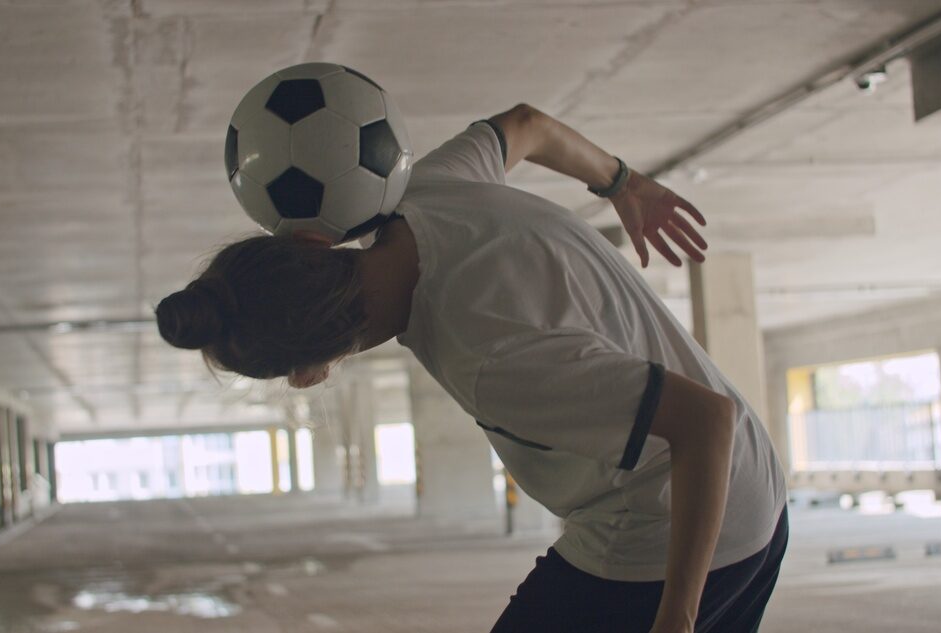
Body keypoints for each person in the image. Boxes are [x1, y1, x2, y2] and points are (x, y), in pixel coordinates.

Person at [156, 104, 787, 633]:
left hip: (677, 529)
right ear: (312, 245)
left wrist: (677, 616)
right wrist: (623, 183)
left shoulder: (489, 356)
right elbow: (525, 124)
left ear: (309, 371)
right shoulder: (432, 189)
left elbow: (707, 421)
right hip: (745, 489)